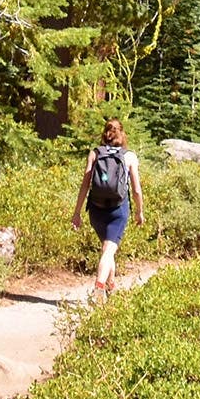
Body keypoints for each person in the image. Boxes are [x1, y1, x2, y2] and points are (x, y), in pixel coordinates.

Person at [71, 118, 146, 299]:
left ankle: (111, 286)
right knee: (109, 250)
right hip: (118, 211)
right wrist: (139, 211)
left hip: (96, 210)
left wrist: (77, 213)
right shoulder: (129, 156)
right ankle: (99, 287)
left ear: (105, 134)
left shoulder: (95, 153)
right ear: (122, 134)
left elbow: (85, 185)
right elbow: (136, 189)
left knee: (107, 248)